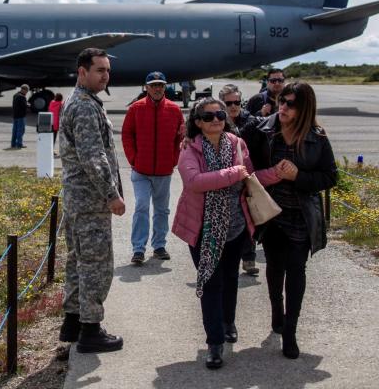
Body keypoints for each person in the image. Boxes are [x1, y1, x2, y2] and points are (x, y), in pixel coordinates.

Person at [172, 97, 280, 369]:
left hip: (236, 228)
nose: (217, 119)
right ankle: (215, 342)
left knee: (231, 279)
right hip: (204, 230)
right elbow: (194, 182)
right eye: (208, 116)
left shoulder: (237, 144)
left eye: (220, 114)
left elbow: (250, 177)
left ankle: (228, 321)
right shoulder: (190, 148)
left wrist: (278, 173)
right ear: (197, 123)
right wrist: (232, 173)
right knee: (211, 282)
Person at [245, 81, 337, 360]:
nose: (282, 107)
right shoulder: (262, 131)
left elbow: (330, 177)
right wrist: (190, 135)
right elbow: (230, 138)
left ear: (304, 108)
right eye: (280, 101)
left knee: (297, 270)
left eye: (290, 103)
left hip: (301, 215)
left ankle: (290, 331)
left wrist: (298, 176)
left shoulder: (317, 138)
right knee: (274, 268)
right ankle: (276, 310)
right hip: (270, 214)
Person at [57, 48, 126, 353]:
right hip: (90, 201)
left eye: (107, 70)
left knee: (78, 262)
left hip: (78, 200)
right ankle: (91, 330)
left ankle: (73, 322)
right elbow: (93, 157)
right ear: (82, 72)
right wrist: (112, 195)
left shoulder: (81, 101)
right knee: (96, 264)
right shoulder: (84, 106)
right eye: (99, 70)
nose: (105, 76)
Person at [122, 70, 185, 265]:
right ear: (146, 87)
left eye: (161, 85)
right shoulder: (136, 108)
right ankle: (138, 249)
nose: (157, 88)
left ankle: (159, 245)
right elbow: (127, 135)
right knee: (141, 206)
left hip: (164, 171)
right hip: (141, 170)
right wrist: (134, 158)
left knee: (162, 210)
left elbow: (181, 138)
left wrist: (174, 159)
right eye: (154, 85)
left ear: (165, 87)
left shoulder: (174, 110)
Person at [220, 84, 266, 276]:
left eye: (236, 102)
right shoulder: (216, 119)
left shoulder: (251, 120)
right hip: (223, 178)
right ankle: (222, 259)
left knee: (249, 217)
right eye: (228, 103)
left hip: (248, 176)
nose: (233, 106)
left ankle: (248, 259)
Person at [10, 84, 29, 149]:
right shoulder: (22, 97)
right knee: (20, 130)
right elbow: (24, 106)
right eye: (26, 91)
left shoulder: (15, 95)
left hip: (15, 115)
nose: (26, 93)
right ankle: (19, 144)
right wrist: (28, 105)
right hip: (21, 116)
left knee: (14, 130)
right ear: (24, 90)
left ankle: (13, 144)